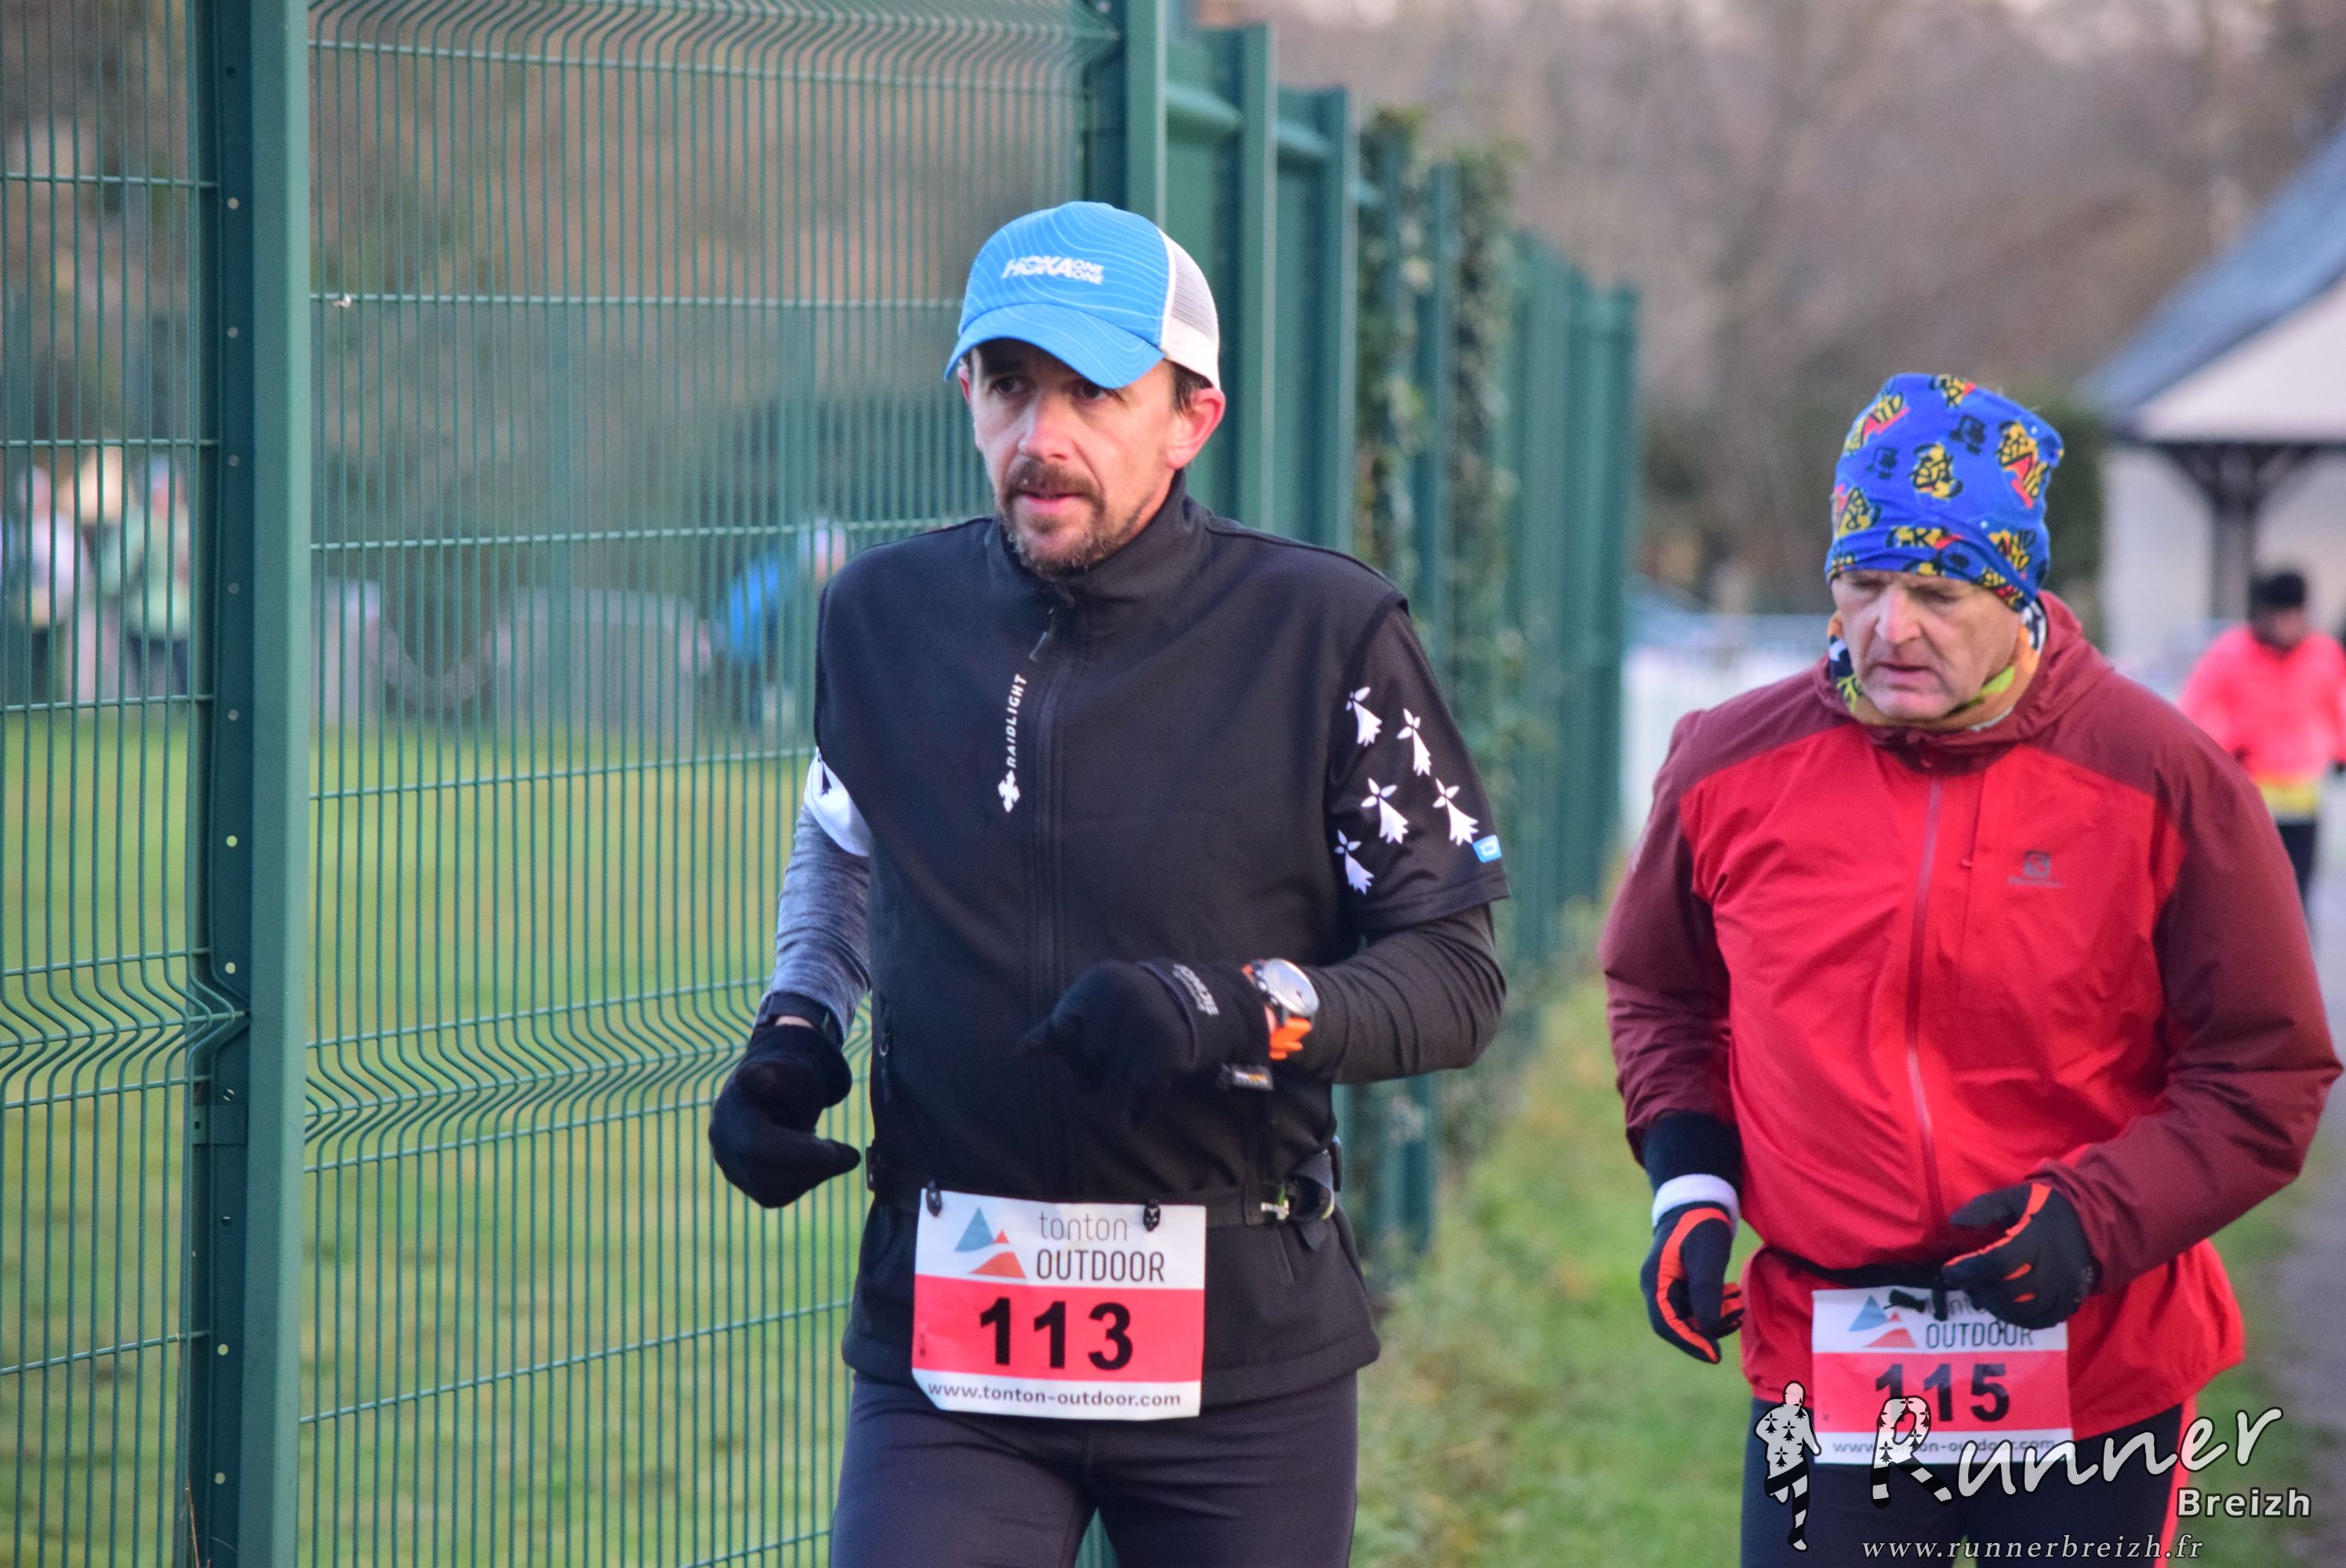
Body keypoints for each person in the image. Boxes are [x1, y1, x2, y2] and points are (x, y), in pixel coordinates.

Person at [707, 201, 1510, 1567]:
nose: (1042, 437)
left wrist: (1226, 1010)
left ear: (1191, 417)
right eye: (1010, 386)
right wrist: (794, 1029)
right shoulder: (881, 617)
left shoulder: (1322, 632)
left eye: (1093, 393)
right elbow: (844, 850)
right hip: (956, 1349)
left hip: (1239, 1350)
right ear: (968, 395)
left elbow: (1454, 973)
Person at [1603, 373, 2338, 1565]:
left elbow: (2266, 1071)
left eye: (1938, 592)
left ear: (2017, 590)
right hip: (1832, 1363)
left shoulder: (2167, 777)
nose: (1890, 629)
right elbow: (1664, 992)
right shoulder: (1727, 764)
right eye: (1861, 585)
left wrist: (2094, 1221)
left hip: (2093, 1359)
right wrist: (1692, 1185)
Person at [2178, 568, 2346, 905]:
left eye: (2292, 616)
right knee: (2247, 889)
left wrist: (2341, 753)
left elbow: (2338, 707)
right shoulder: (2232, 652)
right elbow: (2194, 709)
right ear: (2262, 614)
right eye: (2278, 616)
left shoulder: (2323, 654)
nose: (2285, 626)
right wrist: (2223, 749)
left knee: (2296, 891)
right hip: (2249, 787)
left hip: (2302, 793)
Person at [2, 465, 89, 704]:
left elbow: (74, 567)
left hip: (53, 603)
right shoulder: (12, 526)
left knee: (49, 656)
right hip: (17, 604)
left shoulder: (59, 527)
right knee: (20, 656)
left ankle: (48, 699)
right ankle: (21, 697)